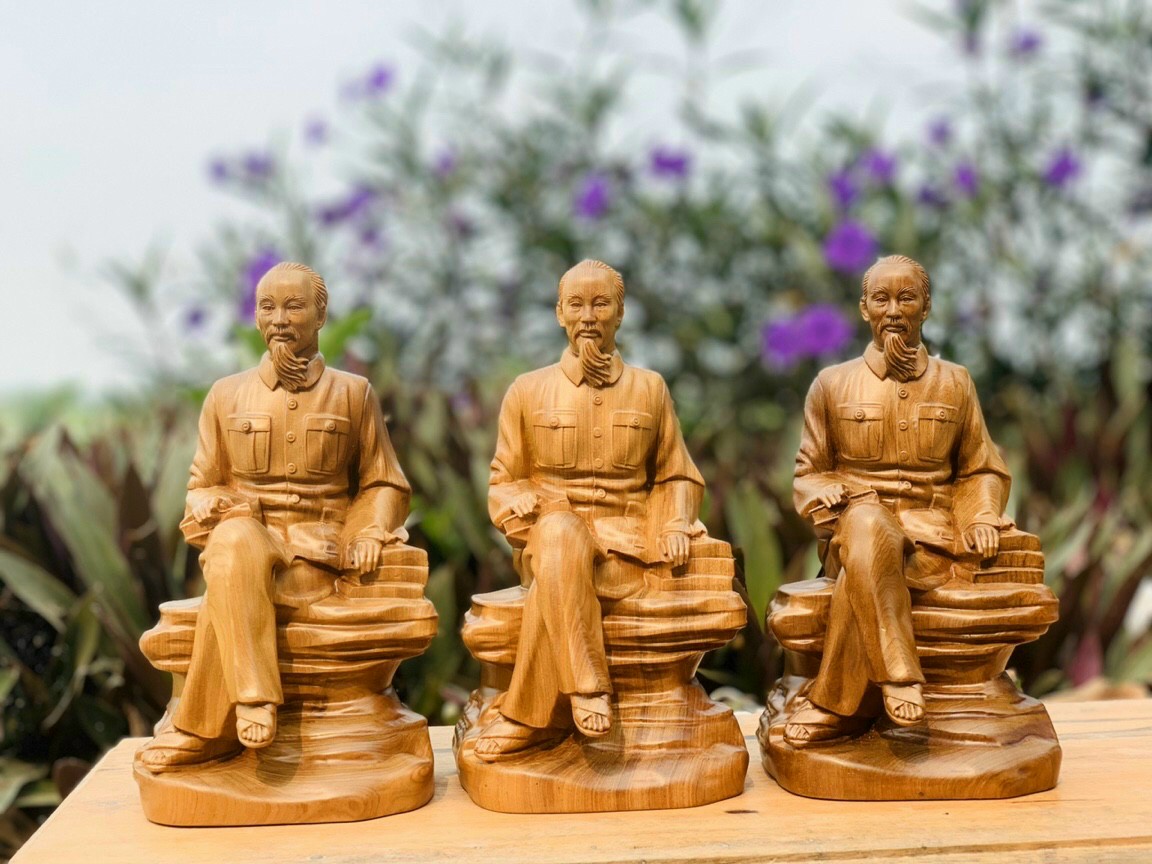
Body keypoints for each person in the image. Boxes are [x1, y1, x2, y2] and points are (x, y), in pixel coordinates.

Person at [138, 262, 410, 770]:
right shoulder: (225, 395)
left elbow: (384, 482)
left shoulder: (353, 393)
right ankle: (255, 699)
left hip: (316, 555)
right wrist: (207, 503)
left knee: (230, 584)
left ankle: (199, 731)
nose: (279, 319)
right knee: (233, 544)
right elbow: (202, 483)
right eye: (267, 307)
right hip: (246, 538)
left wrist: (370, 531)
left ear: (321, 316)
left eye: (293, 306)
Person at [475, 259, 706, 760]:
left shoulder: (649, 388)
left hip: (627, 552)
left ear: (620, 313)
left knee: (554, 584)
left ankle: (525, 718)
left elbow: (677, 475)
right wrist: (517, 499)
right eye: (575, 305)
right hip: (551, 539)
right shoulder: (527, 391)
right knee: (560, 537)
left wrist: (674, 521)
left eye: (600, 304)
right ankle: (587, 688)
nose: (587, 316)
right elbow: (503, 481)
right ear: (559, 313)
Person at [785, 254, 1010, 746]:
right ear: (864, 308)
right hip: (855, 527)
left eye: (906, 298)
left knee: (860, 574)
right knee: (868, 527)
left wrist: (982, 515)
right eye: (881, 299)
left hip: (931, 542)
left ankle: (834, 707)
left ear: (925, 308)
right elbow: (807, 474)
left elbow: (981, 468)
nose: (893, 310)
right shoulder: (832, 383)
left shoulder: (955, 382)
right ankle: (900, 676)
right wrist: (825, 491)